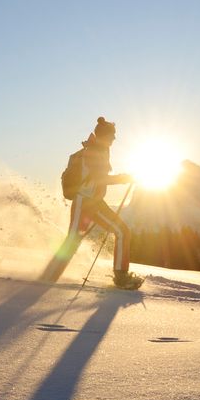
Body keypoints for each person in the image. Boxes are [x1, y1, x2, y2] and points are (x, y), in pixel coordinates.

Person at [42, 116, 143, 289]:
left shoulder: (99, 149)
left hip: (93, 202)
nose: (114, 139)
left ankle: (48, 277)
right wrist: (123, 178)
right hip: (85, 201)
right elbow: (99, 178)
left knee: (120, 231)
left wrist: (123, 178)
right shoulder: (94, 150)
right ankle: (46, 280)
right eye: (112, 135)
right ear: (105, 136)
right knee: (78, 239)